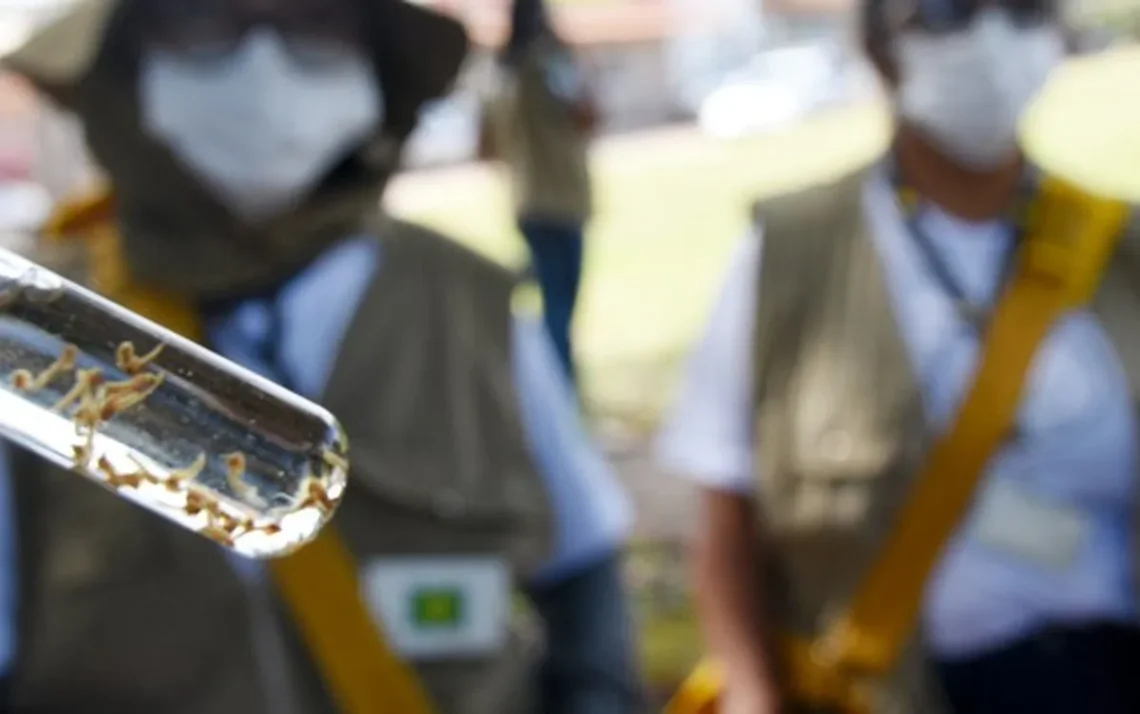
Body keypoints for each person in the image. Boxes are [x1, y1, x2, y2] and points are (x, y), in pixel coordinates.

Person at [0, 0, 644, 712]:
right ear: (121, 64)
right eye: (206, 25)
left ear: (375, 61)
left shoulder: (475, 308)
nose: (264, 70)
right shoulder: (31, 334)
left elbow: (583, 568)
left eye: (315, 29)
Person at [657, 1, 1140, 713]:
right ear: (882, 48)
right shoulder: (793, 254)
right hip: (889, 688)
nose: (991, 39)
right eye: (948, 12)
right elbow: (725, 520)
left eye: (1022, 8)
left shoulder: (1119, 250)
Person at [480, 0, 597, 387]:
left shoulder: (501, 73)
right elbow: (587, 115)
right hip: (560, 198)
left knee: (549, 294)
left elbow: (486, 148)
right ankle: (558, 394)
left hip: (526, 199)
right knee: (560, 310)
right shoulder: (549, 63)